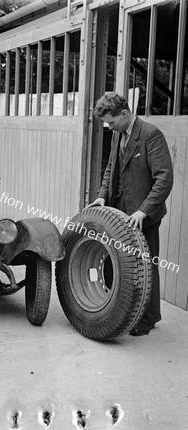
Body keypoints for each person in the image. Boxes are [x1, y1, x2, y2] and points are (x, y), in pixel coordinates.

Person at [89, 92, 173, 336]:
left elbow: (164, 179)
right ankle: (120, 311)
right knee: (116, 263)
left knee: (146, 266)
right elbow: (110, 168)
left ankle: (148, 319)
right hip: (117, 213)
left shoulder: (151, 134)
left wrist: (143, 211)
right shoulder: (118, 134)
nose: (109, 127)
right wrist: (103, 194)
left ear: (124, 114)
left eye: (111, 122)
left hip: (142, 216)